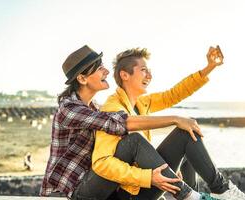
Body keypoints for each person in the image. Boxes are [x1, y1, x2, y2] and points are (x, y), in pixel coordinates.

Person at [79, 47, 245, 200]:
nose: (149, 74)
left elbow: (174, 94)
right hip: (130, 193)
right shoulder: (113, 107)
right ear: (125, 75)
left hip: (144, 185)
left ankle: (207, 192)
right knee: (181, 133)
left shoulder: (142, 103)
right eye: (143, 70)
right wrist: (148, 177)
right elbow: (103, 164)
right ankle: (221, 190)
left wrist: (208, 68)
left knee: (187, 137)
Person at [40, 45, 209, 199]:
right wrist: (175, 119)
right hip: (68, 192)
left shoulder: (95, 108)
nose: (106, 71)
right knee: (133, 141)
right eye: (99, 68)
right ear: (83, 79)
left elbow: (171, 95)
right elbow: (117, 124)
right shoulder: (69, 109)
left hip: (100, 186)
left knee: (177, 140)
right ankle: (190, 195)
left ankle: (194, 194)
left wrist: (208, 69)